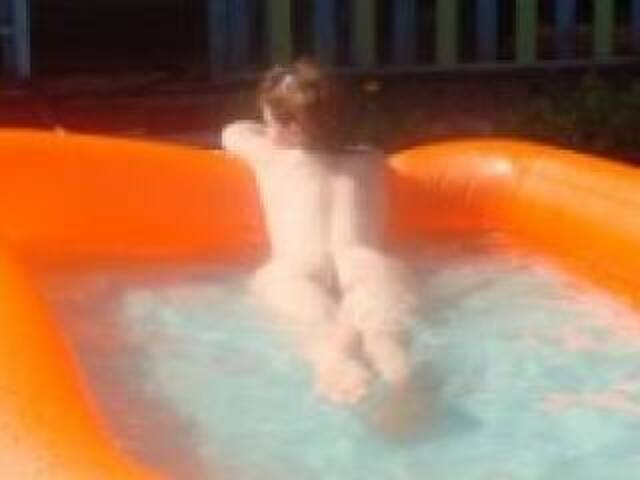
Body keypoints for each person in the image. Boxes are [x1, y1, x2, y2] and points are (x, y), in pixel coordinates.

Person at [221, 60, 416, 405]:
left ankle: (336, 363)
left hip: (297, 268)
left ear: (292, 129)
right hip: (366, 264)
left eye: (269, 122)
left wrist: (268, 130)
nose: (267, 131)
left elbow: (233, 132)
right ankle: (400, 382)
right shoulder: (371, 159)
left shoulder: (272, 158)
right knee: (386, 338)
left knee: (318, 339)